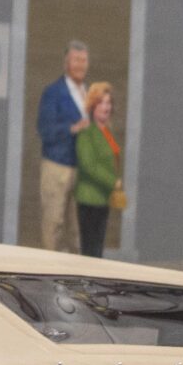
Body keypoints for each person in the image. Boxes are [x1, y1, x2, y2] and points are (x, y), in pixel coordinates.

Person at [34, 41, 90, 254]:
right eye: (76, 60)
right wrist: (73, 128)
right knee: (53, 222)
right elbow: (45, 129)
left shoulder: (89, 93)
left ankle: (77, 268)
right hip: (57, 166)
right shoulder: (53, 92)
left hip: (82, 169)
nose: (80, 65)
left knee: (78, 227)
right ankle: (49, 266)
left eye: (83, 60)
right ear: (66, 63)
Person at [73, 82, 123, 259]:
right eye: (101, 103)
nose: (106, 107)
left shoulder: (107, 132)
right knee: (90, 248)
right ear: (93, 106)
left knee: (98, 247)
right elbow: (89, 165)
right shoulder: (87, 133)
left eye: (108, 103)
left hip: (103, 198)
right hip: (89, 198)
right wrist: (112, 181)